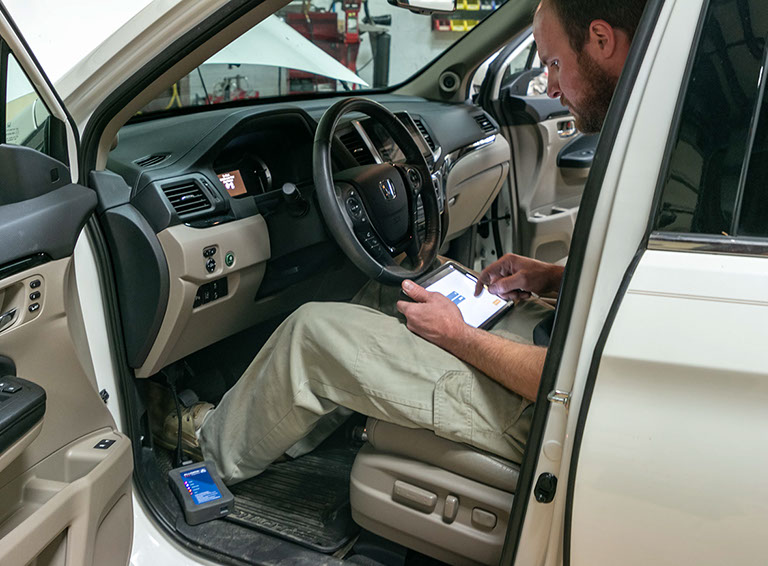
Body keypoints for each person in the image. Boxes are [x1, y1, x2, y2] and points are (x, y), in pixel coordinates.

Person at [164, 0, 648, 485]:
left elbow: (568, 378)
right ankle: (278, 431)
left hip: (545, 408)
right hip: (554, 343)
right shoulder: (654, 141)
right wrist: (554, 277)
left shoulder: (653, 161)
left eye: (553, 63)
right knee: (401, 285)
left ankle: (209, 448)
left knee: (309, 333)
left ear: (601, 40)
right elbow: (625, 297)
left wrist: (459, 336)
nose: (552, 86)